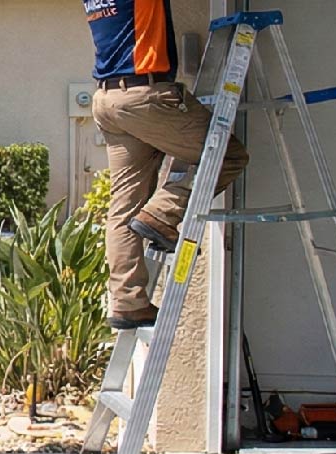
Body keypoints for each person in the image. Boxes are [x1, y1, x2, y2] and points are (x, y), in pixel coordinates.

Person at [84, 0, 249, 329]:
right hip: (146, 96)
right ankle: (162, 214)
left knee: (123, 207)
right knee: (229, 156)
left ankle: (128, 302)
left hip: (107, 101)